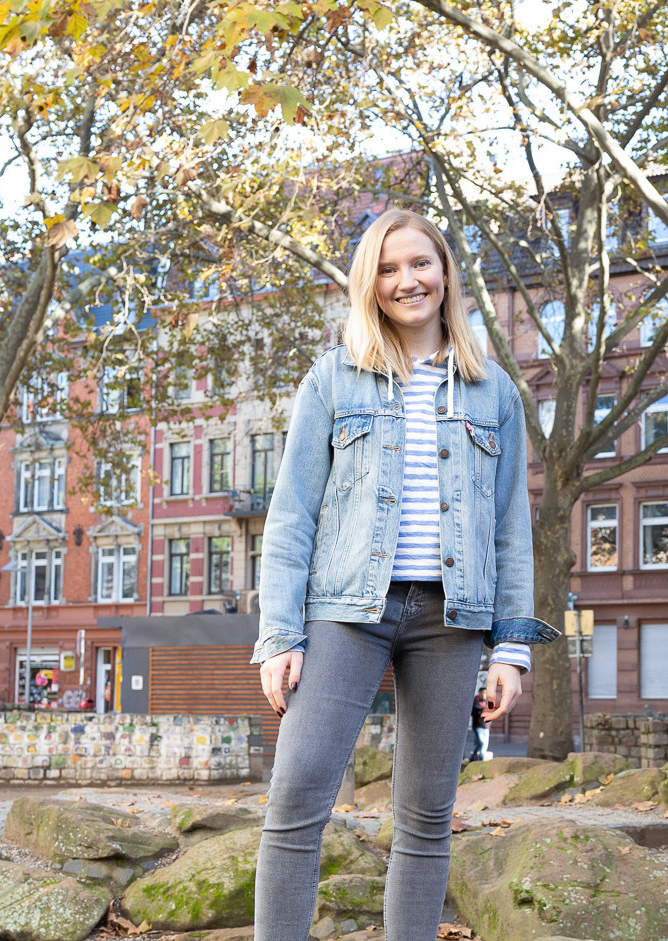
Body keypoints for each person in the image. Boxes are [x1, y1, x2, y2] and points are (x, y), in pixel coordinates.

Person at [252, 208, 558, 941]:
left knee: (425, 816)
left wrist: (510, 648)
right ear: (370, 284)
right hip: (344, 610)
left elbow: (511, 528)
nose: (405, 280)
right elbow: (291, 514)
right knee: (295, 797)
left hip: (453, 621)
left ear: (445, 270)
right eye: (386, 269)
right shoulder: (334, 376)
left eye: (418, 263)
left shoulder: (494, 392)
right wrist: (278, 634)